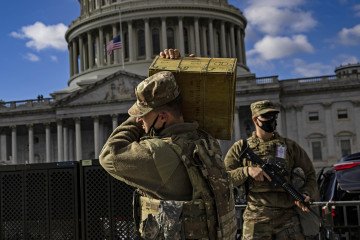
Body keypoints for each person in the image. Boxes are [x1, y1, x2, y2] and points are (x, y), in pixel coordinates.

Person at [99, 70, 237, 239]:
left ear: (163, 117)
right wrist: (174, 72)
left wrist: (133, 120)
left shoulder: (157, 153)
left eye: (142, 115)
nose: (138, 120)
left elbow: (108, 155)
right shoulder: (205, 139)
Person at [224, 100, 319, 240]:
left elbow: (311, 174)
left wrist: (305, 193)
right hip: (256, 218)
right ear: (255, 119)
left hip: (288, 219)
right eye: (267, 116)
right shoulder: (240, 147)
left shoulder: (290, 147)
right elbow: (222, 179)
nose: (272, 120)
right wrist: (247, 171)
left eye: (274, 116)